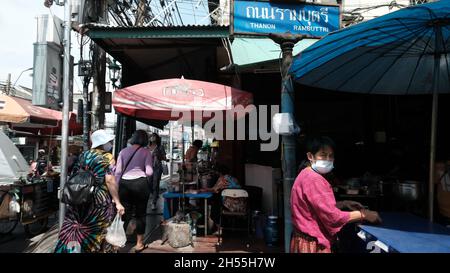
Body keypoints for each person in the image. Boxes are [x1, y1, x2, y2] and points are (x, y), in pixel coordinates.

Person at [290, 136, 382, 253]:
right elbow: (333, 218)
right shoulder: (315, 180)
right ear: (310, 156)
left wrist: (343, 203)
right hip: (313, 245)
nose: (328, 159)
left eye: (331, 155)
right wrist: (364, 214)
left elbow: (316, 208)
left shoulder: (305, 173)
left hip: (302, 241)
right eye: (323, 155)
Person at [55, 129, 125, 253]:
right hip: (98, 200)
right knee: (97, 230)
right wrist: (117, 202)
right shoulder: (107, 157)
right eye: (109, 141)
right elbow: (110, 180)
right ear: (103, 143)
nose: (110, 144)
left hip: (80, 197)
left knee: (77, 228)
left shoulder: (83, 155)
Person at [115, 130, 153, 253]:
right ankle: (139, 243)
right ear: (145, 140)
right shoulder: (146, 152)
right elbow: (149, 172)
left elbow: (118, 172)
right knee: (141, 214)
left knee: (125, 213)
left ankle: (124, 241)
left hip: (125, 185)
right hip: (141, 185)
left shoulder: (123, 152)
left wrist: (115, 189)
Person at [148, 132, 167, 211]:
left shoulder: (160, 147)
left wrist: (159, 155)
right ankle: (154, 195)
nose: (153, 138)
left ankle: (154, 202)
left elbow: (164, 158)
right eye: (152, 137)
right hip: (148, 168)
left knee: (155, 185)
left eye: (154, 137)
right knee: (148, 185)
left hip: (157, 168)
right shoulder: (147, 147)